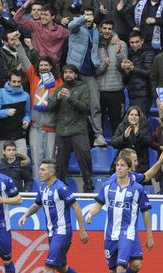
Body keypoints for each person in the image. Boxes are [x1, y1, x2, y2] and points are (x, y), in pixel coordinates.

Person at [18, 159, 93, 273]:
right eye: (40, 169)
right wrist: (26, 214)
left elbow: (76, 207)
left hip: (62, 232)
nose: (40, 172)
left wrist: (82, 230)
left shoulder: (61, 188)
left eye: (43, 170)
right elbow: (37, 204)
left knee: (49, 266)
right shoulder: (43, 188)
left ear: (52, 172)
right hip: (52, 234)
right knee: (62, 267)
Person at [85, 156, 153, 273]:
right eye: (117, 165)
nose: (119, 168)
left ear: (129, 169)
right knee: (113, 271)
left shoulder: (137, 189)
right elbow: (98, 204)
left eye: (123, 165)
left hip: (127, 234)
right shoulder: (108, 187)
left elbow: (146, 213)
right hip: (110, 235)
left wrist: (149, 235)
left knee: (122, 267)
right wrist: (90, 214)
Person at [15, 34, 62, 179]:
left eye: (46, 65)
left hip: (51, 128)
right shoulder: (33, 77)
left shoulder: (59, 82)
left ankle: (50, 188)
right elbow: (24, 59)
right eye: (41, 65)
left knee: (50, 161)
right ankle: (38, 190)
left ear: (51, 67)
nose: (43, 67)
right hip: (35, 126)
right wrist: (18, 44)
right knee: (36, 159)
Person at [49, 64, 93, 192]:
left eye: (70, 72)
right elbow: (50, 108)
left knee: (85, 160)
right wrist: (57, 99)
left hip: (79, 131)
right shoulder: (59, 89)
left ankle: (88, 188)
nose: (68, 74)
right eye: (65, 72)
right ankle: (61, 190)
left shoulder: (83, 87)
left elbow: (85, 107)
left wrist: (70, 98)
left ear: (76, 75)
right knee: (59, 165)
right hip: (62, 131)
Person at [66, 7, 107, 147]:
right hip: (74, 74)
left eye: (91, 15)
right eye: (86, 15)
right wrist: (84, 18)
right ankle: (70, 135)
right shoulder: (77, 28)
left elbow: (106, 38)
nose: (89, 18)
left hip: (90, 73)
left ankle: (98, 135)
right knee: (71, 105)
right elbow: (71, 25)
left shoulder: (95, 30)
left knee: (95, 105)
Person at [97, 20, 128, 134]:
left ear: (113, 29)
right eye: (104, 28)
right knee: (97, 124)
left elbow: (123, 66)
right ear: (101, 29)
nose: (107, 31)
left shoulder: (121, 43)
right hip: (99, 90)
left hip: (116, 89)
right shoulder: (95, 43)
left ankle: (118, 149)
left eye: (110, 29)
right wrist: (103, 66)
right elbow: (94, 70)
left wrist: (119, 52)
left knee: (117, 123)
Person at [0, 69, 31, 156]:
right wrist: (6, 112)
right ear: (8, 81)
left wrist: (26, 121)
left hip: (20, 136)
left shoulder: (26, 96)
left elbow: (28, 113)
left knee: (22, 163)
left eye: (19, 82)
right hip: (3, 136)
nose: (17, 84)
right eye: (14, 81)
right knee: (4, 165)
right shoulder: (1, 93)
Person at [122, 30, 155, 117]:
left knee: (140, 123)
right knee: (134, 124)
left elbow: (149, 73)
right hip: (132, 95)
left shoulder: (149, 53)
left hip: (144, 94)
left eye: (137, 42)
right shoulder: (130, 54)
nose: (134, 44)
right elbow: (125, 80)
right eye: (132, 42)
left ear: (142, 41)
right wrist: (126, 70)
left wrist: (133, 68)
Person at [112, 106, 153, 173]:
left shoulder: (145, 126)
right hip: (124, 164)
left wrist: (138, 135)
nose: (134, 117)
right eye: (131, 115)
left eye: (136, 115)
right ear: (128, 116)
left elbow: (149, 142)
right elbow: (114, 143)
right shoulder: (122, 126)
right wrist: (124, 137)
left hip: (141, 164)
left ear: (139, 117)